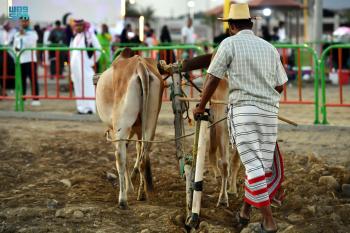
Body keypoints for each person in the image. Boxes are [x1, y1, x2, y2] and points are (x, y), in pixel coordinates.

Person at [193, 3, 287, 233]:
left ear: (232, 26)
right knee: (261, 166)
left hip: (244, 111)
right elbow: (280, 84)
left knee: (253, 167)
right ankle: (245, 213)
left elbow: (213, 78)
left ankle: (269, 221)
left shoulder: (229, 43)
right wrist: (264, 96)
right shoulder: (268, 47)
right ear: (250, 23)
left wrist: (201, 105)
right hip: (269, 112)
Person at [70, 19, 101, 114]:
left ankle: (89, 109)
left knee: (87, 86)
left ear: (84, 26)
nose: (77, 27)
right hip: (76, 67)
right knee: (78, 86)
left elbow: (98, 49)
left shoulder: (90, 36)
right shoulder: (76, 37)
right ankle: (81, 108)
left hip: (85, 67)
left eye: (80, 25)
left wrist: (91, 62)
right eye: (76, 25)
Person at [13, 16, 40, 106]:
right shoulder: (16, 34)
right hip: (20, 60)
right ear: (20, 22)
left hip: (31, 59)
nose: (24, 23)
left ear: (29, 22)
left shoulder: (33, 33)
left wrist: (23, 35)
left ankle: (35, 99)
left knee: (33, 80)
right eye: (22, 21)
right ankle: (22, 98)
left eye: (26, 21)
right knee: (21, 80)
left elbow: (30, 44)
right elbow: (15, 46)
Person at [0, 21, 16, 91]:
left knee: (11, 70)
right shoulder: (1, 32)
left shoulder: (15, 32)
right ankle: (3, 87)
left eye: (8, 25)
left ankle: (11, 86)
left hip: (12, 54)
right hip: (2, 54)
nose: (6, 27)